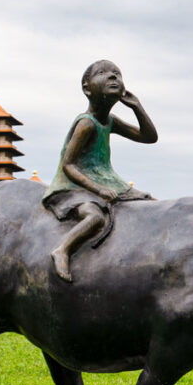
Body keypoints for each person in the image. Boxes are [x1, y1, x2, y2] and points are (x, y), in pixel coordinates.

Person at [42, 59, 157, 282]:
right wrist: (98, 189)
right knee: (95, 217)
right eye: (103, 73)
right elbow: (68, 165)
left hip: (105, 180)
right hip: (74, 186)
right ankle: (63, 249)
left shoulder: (110, 121)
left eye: (117, 73)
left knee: (148, 202)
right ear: (87, 88)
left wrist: (137, 106)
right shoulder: (86, 124)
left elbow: (149, 137)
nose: (113, 77)